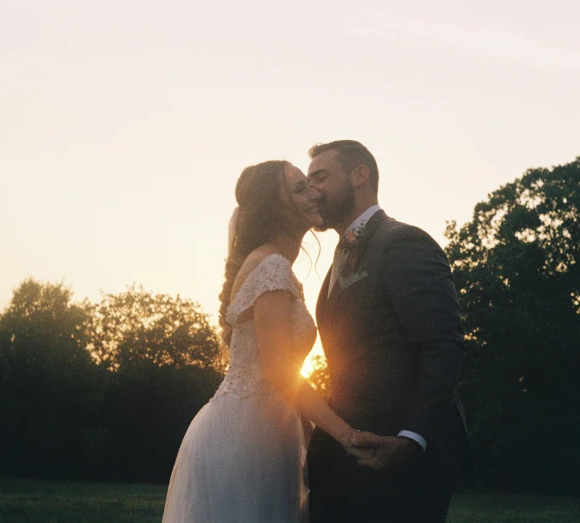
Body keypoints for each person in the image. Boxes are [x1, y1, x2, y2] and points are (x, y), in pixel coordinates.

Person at [162, 160, 370, 523]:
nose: (314, 192)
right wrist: (346, 435)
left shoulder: (276, 267)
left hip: (267, 432)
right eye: (300, 188)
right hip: (242, 439)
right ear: (275, 207)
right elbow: (278, 371)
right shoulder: (271, 267)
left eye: (311, 183)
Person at [306, 140, 476, 523]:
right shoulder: (339, 258)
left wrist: (410, 439)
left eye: (321, 177)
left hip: (401, 468)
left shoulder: (403, 242)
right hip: (348, 460)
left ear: (359, 175)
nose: (312, 190)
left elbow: (443, 347)